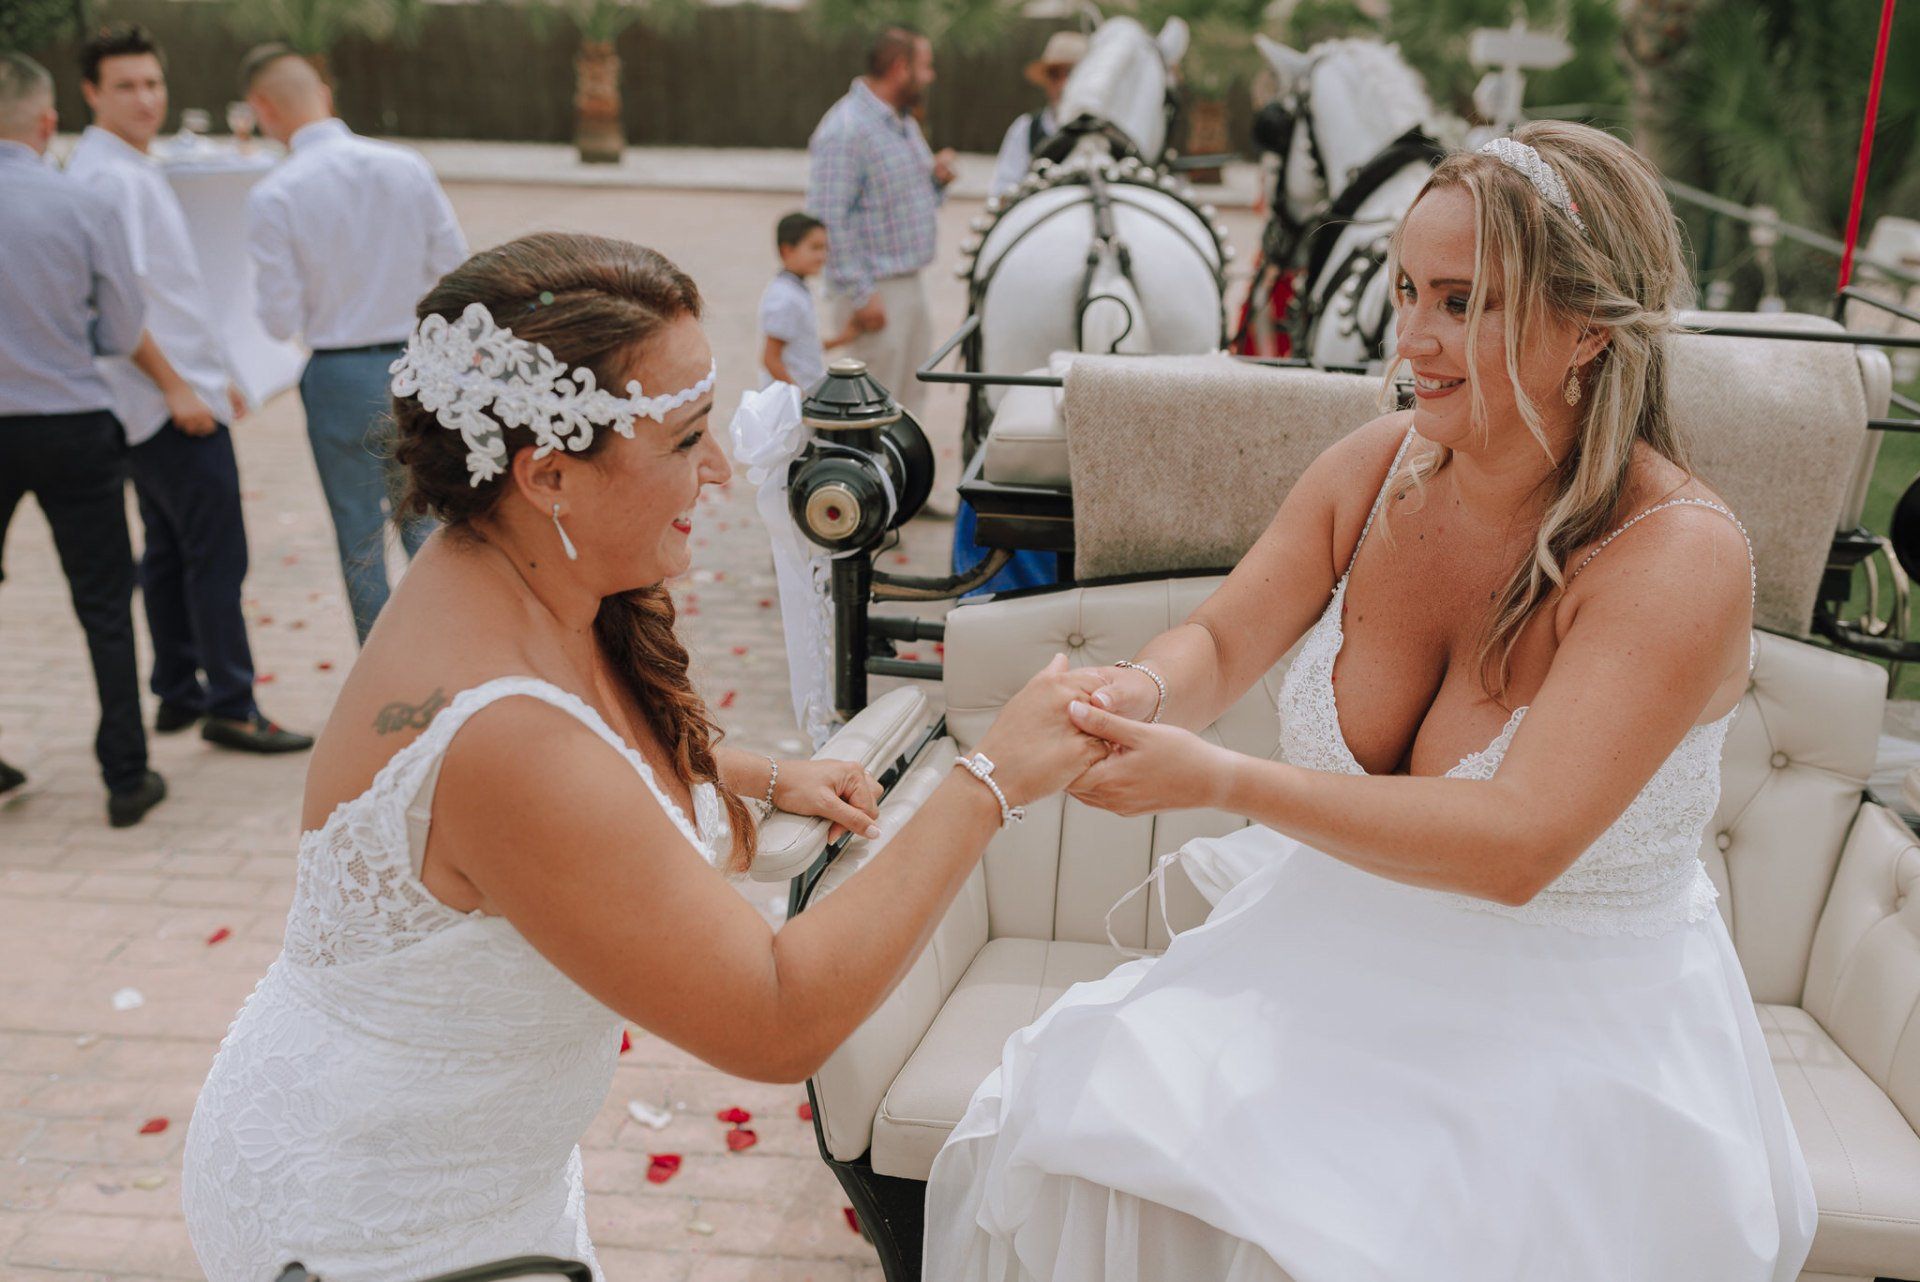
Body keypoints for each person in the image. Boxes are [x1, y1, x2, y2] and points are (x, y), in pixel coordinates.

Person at [927, 121, 1816, 1281]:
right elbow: (1223, 638)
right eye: (1405, 290)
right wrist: (1138, 689)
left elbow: (1519, 843)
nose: (1413, 339)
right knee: (1086, 1138)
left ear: (1588, 328)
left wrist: (1222, 779)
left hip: (1569, 1031)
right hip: (1330, 958)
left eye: (1462, 301)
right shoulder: (1376, 465)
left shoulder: (1677, 556)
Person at [179, 232, 1102, 1281]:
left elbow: (600, 744)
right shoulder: (508, 741)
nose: (718, 471)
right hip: (377, 1219)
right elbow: (775, 1020)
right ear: (549, 475)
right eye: (686, 437)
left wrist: (758, 773)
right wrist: (989, 784)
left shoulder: (506, 564)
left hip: (463, 1161)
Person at [67, 26, 313, 755]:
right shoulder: (113, 180)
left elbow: (166, 297)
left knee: (172, 547)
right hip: (160, 399)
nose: (146, 99)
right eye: (126, 86)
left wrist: (212, 376)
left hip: (163, 394)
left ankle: (178, 688)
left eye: (153, 83)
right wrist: (180, 389)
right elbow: (117, 306)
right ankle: (232, 704)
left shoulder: (123, 167)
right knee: (216, 553)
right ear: (90, 93)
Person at [239, 43, 469, 645]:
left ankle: (381, 672)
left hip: (338, 374)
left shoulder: (275, 194)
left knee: (358, 536)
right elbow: (454, 265)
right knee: (427, 521)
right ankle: (452, 652)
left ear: (262, 108)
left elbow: (277, 319)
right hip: (416, 363)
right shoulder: (405, 165)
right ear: (325, 94)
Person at [0, 53, 166, 827]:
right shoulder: (83, 204)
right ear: (47, 121)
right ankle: (125, 776)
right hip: (71, 418)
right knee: (104, 602)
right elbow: (125, 328)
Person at [806, 25, 955, 422]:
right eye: (925, 66)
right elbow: (827, 218)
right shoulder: (846, 130)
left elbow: (902, 198)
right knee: (872, 414)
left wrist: (937, 181)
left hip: (909, 283)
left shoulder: (901, 122)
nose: (930, 76)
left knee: (908, 408)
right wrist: (861, 294)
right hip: (876, 291)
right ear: (900, 68)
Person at [759, 211, 856, 391]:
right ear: (787, 250)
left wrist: (842, 338)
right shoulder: (784, 297)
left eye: (825, 248)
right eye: (815, 248)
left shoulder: (796, 290)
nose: (822, 256)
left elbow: (803, 348)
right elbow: (770, 359)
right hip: (790, 401)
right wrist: (800, 396)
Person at [988, 31, 1086, 199]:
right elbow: (1002, 192)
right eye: (1055, 75)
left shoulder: (1108, 132)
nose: (1063, 85)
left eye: (1071, 74)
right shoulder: (1026, 129)